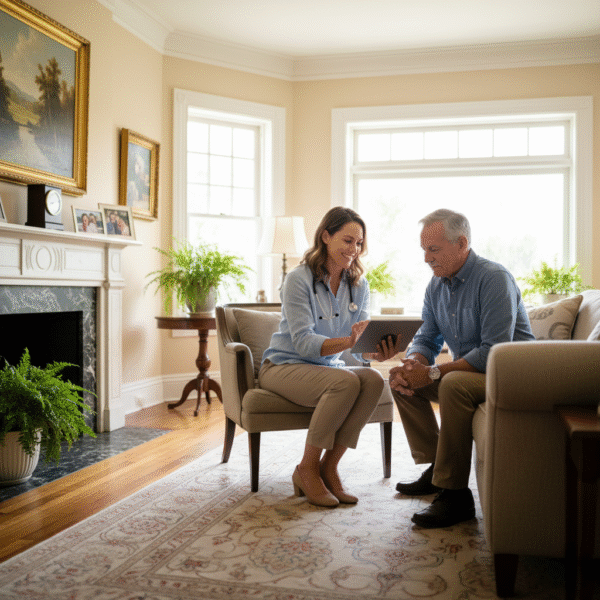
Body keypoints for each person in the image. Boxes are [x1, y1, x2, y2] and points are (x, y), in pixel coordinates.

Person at [390, 208, 535, 528]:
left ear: (462, 243)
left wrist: (432, 372)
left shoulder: (494, 278)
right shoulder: (435, 287)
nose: (427, 258)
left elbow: (493, 351)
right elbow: (426, 338)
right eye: (424, 250)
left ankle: (456, 496)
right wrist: (415, 362)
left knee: (453, 382)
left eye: (434, 249)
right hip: (471, 376)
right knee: (399, 378)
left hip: (510, 375)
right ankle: (436, 468)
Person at [259, 206, 402, 507]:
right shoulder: (298, 279)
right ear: (326, 236)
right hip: (285, 365)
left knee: (374, 379)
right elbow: (304, 343)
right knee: (345, 382)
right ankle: (306, 468)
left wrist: (375, 349)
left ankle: (329, 466)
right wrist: (349, 340)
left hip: (329, 368)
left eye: (359, 243)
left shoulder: (359, 285)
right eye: (347, 241)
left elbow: (356, 347)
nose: (354, 249)